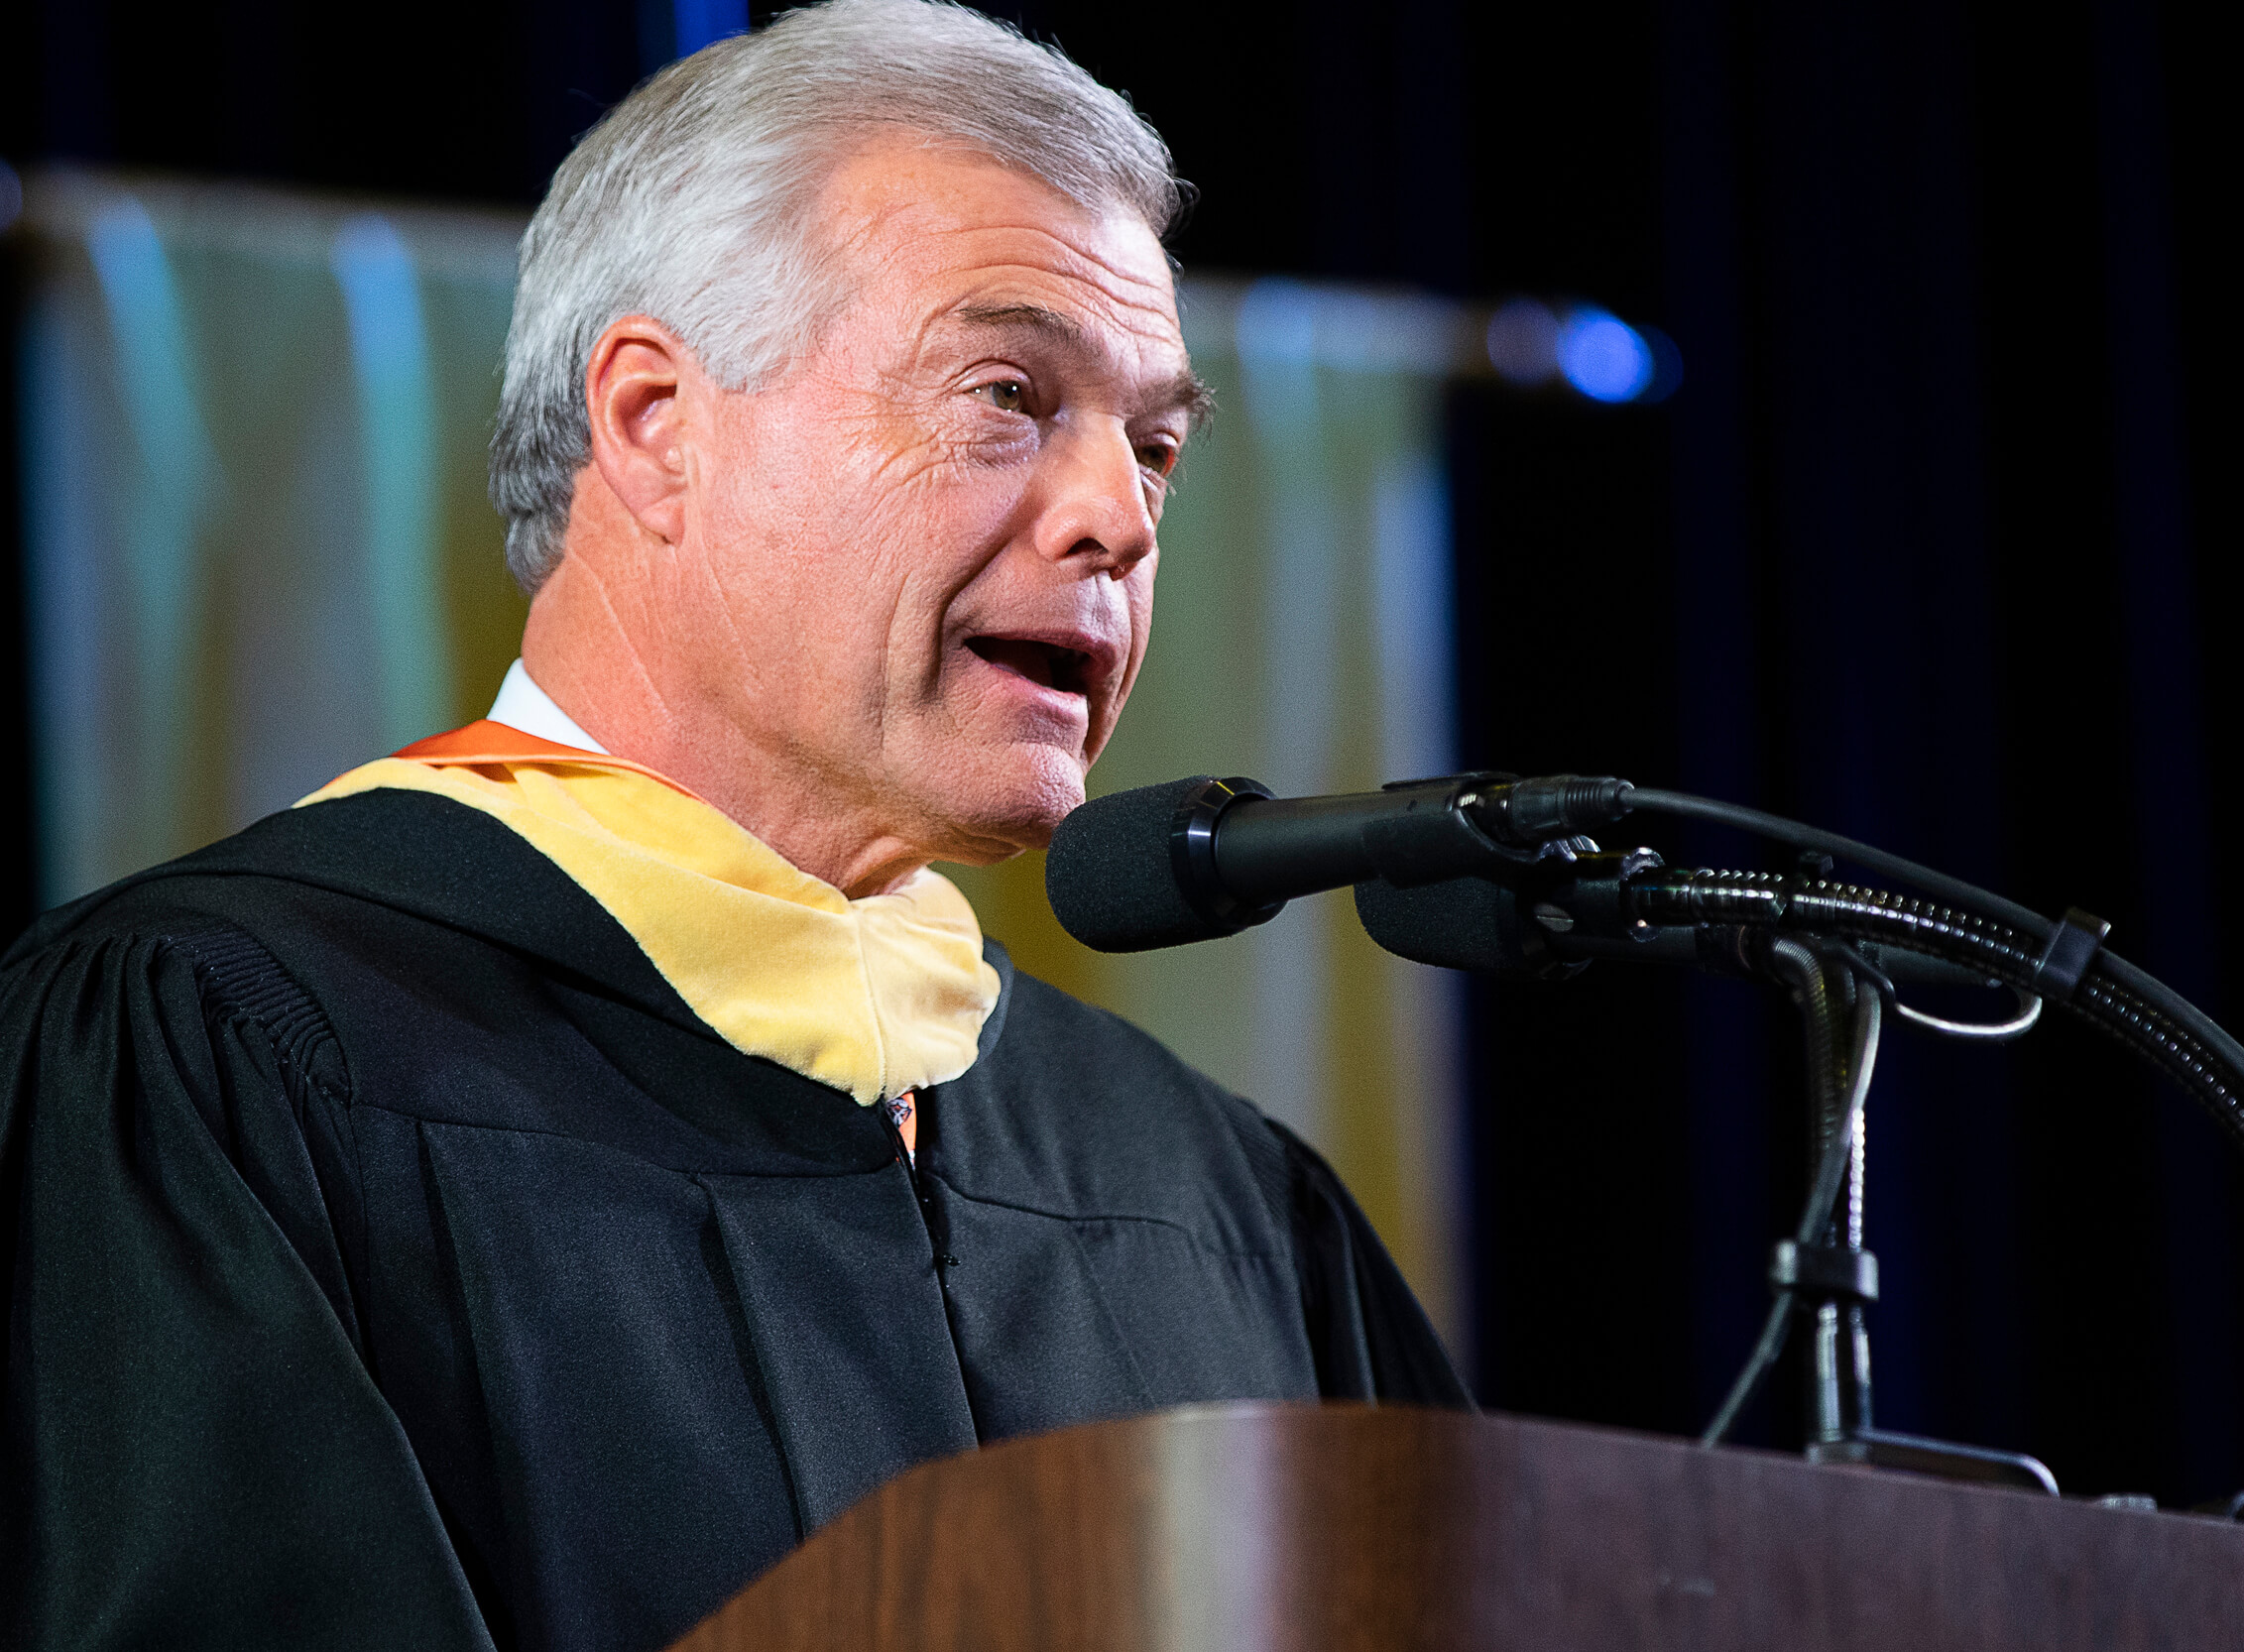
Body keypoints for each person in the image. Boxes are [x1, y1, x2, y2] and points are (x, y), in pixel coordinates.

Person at [0, 5, 1464, 1649]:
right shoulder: (222, 1062)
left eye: (1156, 445)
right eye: (1006, 393)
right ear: (652, 423)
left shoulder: (1201, 1184)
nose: (1118, 518)